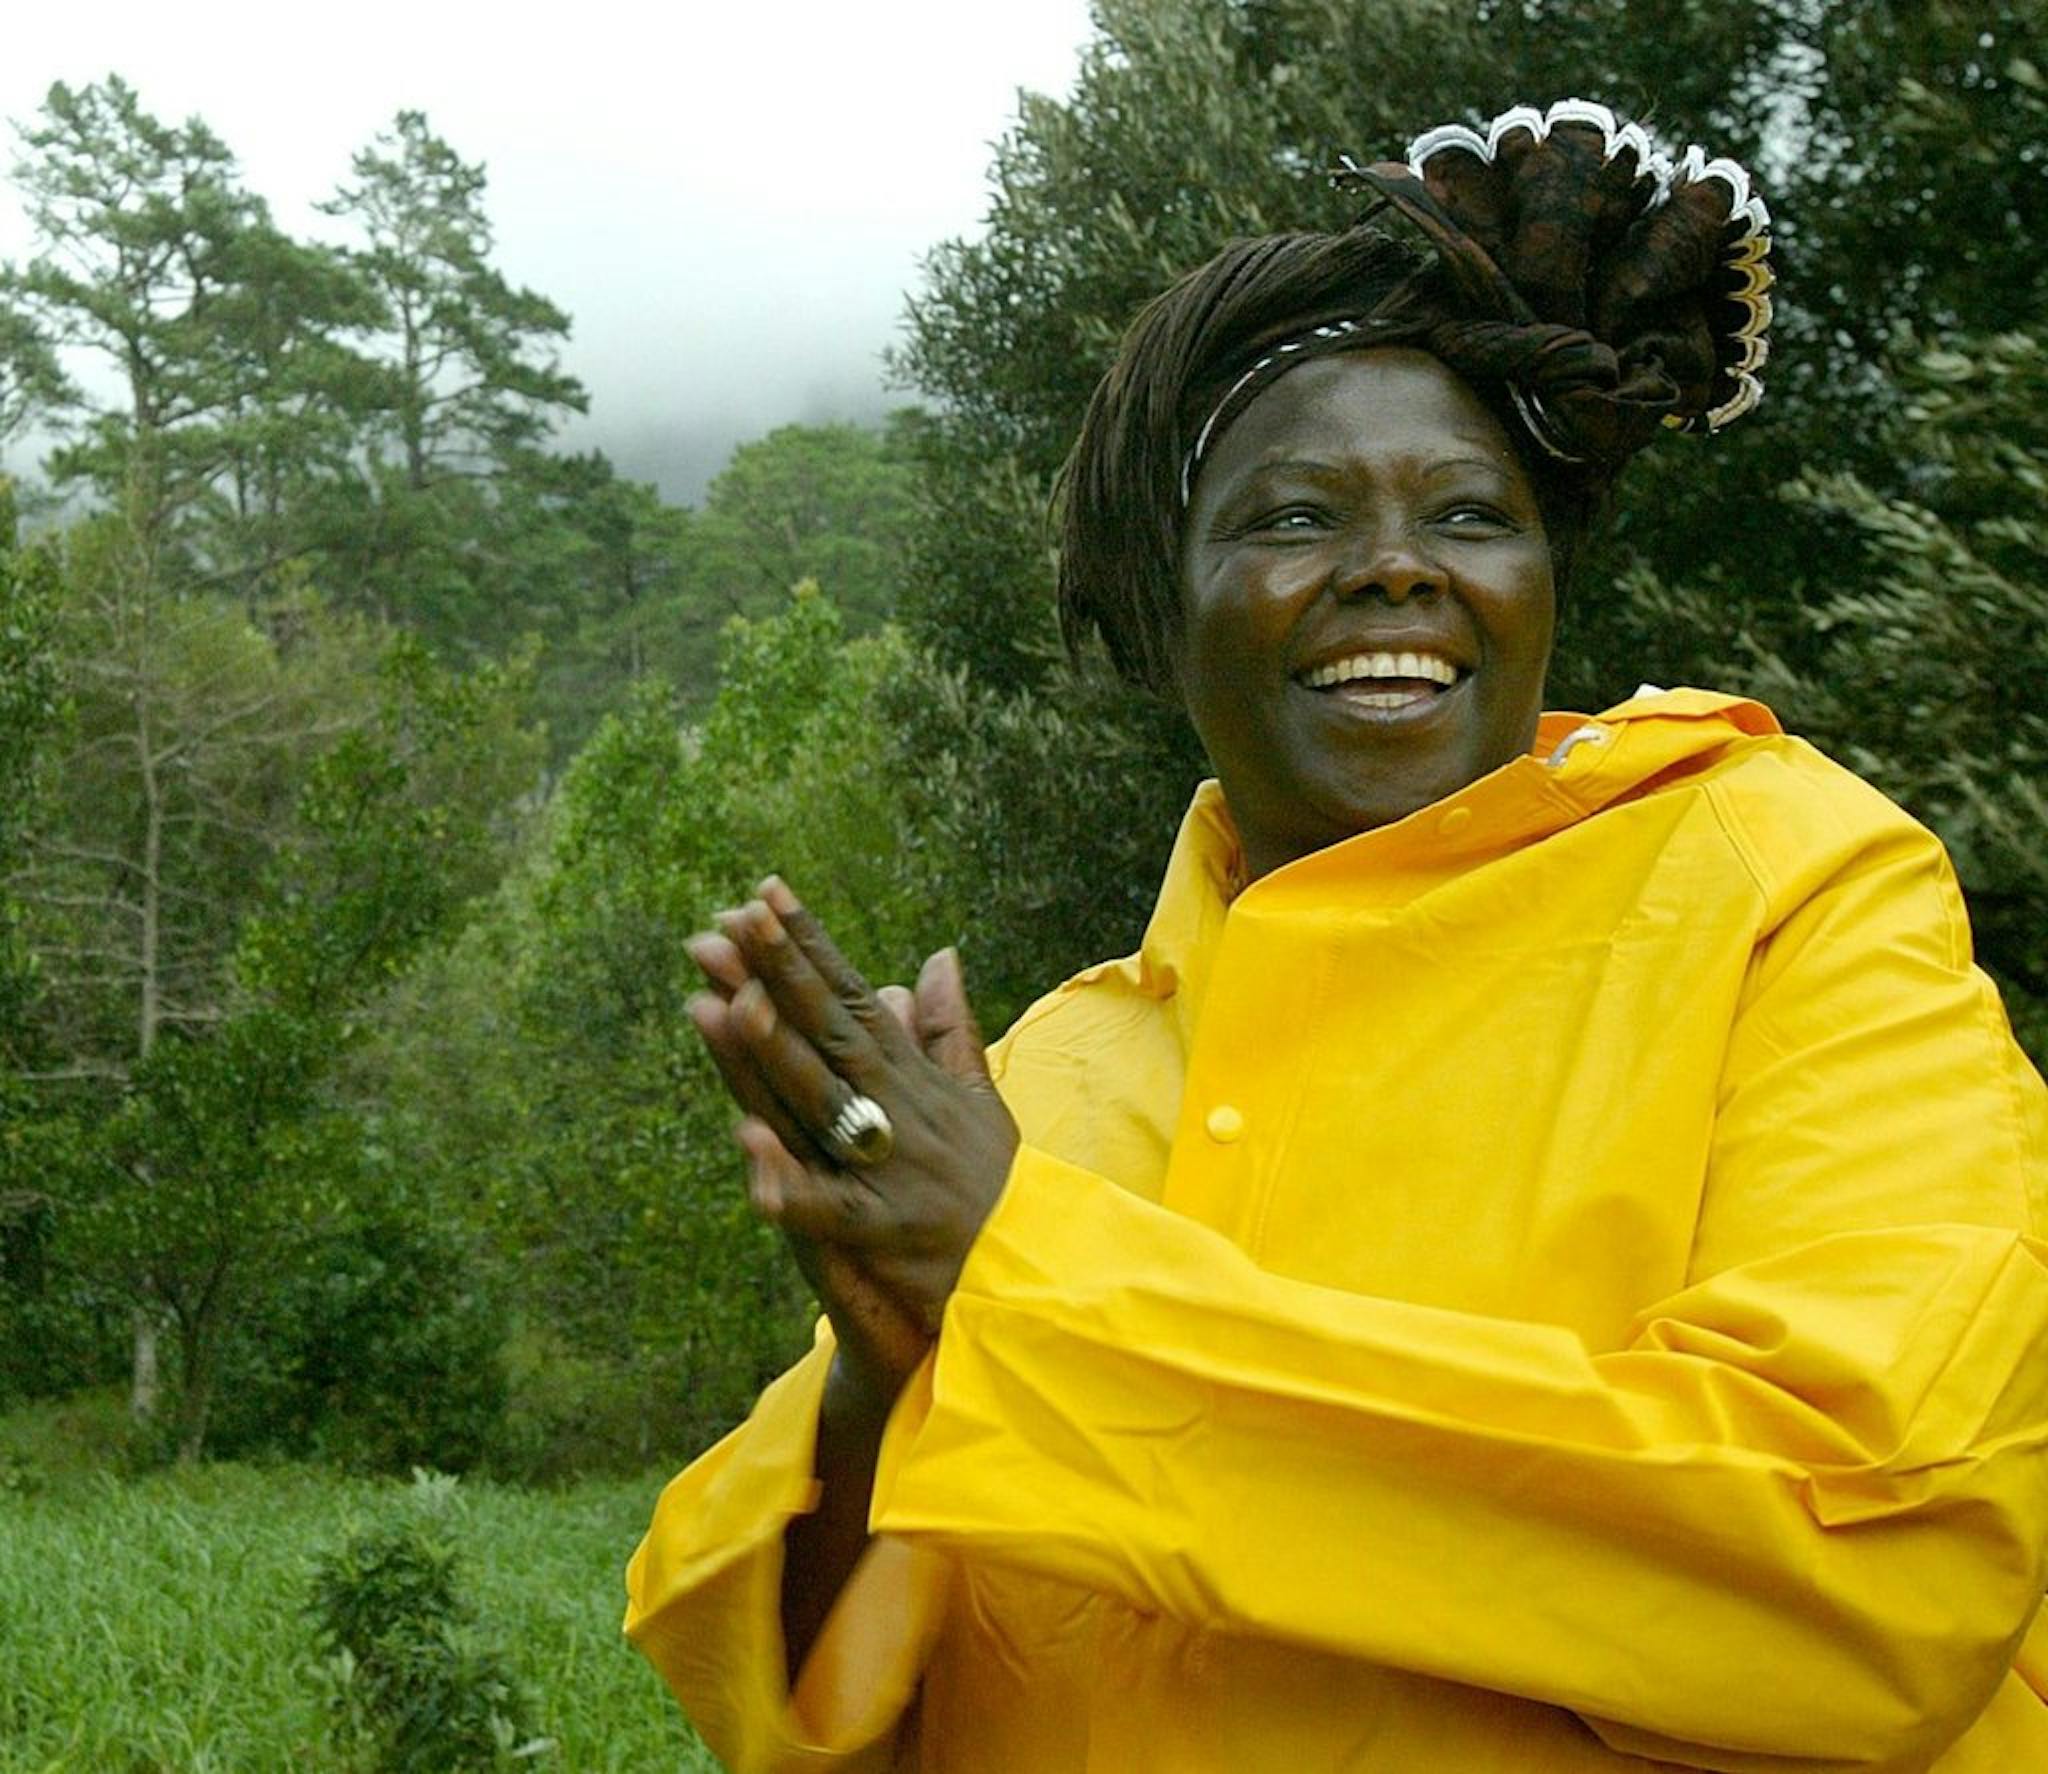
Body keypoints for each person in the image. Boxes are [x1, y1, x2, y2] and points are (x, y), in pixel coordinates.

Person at [625, 100, 2048, 1771]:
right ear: (1168, 611)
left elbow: (1874, 1561)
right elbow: (814, 1718)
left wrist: (1029, 1289)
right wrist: (883, 1386)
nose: (1393, 568)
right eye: (1295, 518)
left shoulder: (1793, 891)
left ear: (1544, 580)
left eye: (1468, 513)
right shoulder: (1040, 1082)